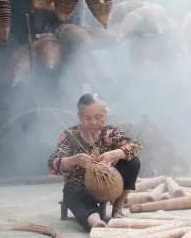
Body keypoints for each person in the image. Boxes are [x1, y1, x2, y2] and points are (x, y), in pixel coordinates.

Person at [48, 93, 141, 230]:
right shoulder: (70, 136)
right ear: (80, 116)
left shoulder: (110, 132)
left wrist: (115, 154)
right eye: (87, 118)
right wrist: (73, 160)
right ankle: (96, 222)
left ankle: (117, 209)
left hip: (108, 183)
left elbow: (134, 146)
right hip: (80, 186)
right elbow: (52, 164)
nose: (93, 122)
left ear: (105, 114)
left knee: (132, 161)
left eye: (99, 117)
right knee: (74, 194)